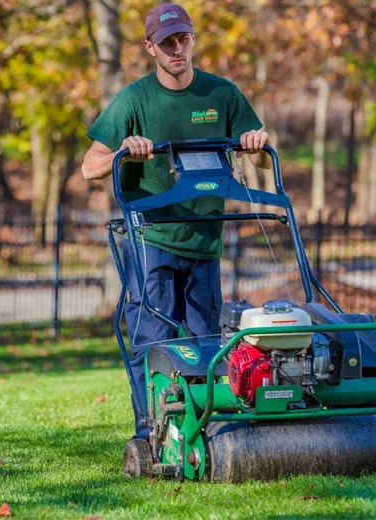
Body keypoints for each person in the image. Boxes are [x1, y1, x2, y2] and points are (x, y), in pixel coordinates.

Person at [77, 2, 273, 460]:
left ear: (192, 40)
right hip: (151, 240)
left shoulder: (222, 95)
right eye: (167, 43)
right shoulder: (134, 100)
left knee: (207, 343)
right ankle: (151, 433)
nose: (177, 49)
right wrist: (125, 150)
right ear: (151, 48)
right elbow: (89, 168)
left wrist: (256, 145)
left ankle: (208, 429)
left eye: (183, 39)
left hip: (205, 240)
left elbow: (262, 155)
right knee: (152, 340)